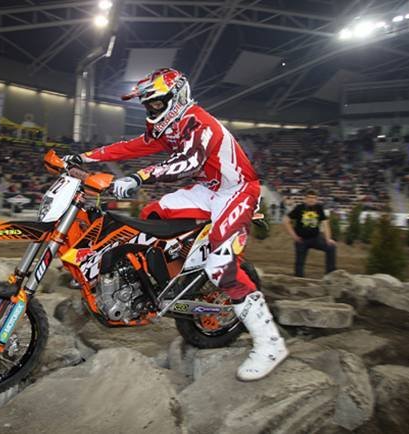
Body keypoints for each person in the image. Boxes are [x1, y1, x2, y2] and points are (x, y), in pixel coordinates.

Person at [62, 68, 287, 381]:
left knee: (221, 267)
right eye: (148, 104)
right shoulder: (166, 124)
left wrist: (139, 176)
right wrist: (85, 157)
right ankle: (161, 283)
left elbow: (187, 162)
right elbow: (134, 146)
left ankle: (270, 343)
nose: (151, 109)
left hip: (236, 189)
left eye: (156, 103)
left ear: (177, 97)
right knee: (154, 213)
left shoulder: (199, 122)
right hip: (207, 188)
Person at [283, 190, 336, 277]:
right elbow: (286, 221)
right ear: (305, 199)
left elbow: (325, 223)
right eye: (309, 197)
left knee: (331, 247)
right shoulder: (299, 208)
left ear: (316, 199)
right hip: (301, 240)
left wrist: (328, 239)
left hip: (315, 238)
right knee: (299, 265)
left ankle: (330, 274)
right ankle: (299, 278)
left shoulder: (319, 208)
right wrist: (294, 236)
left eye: (314, 198)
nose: (311, 199)